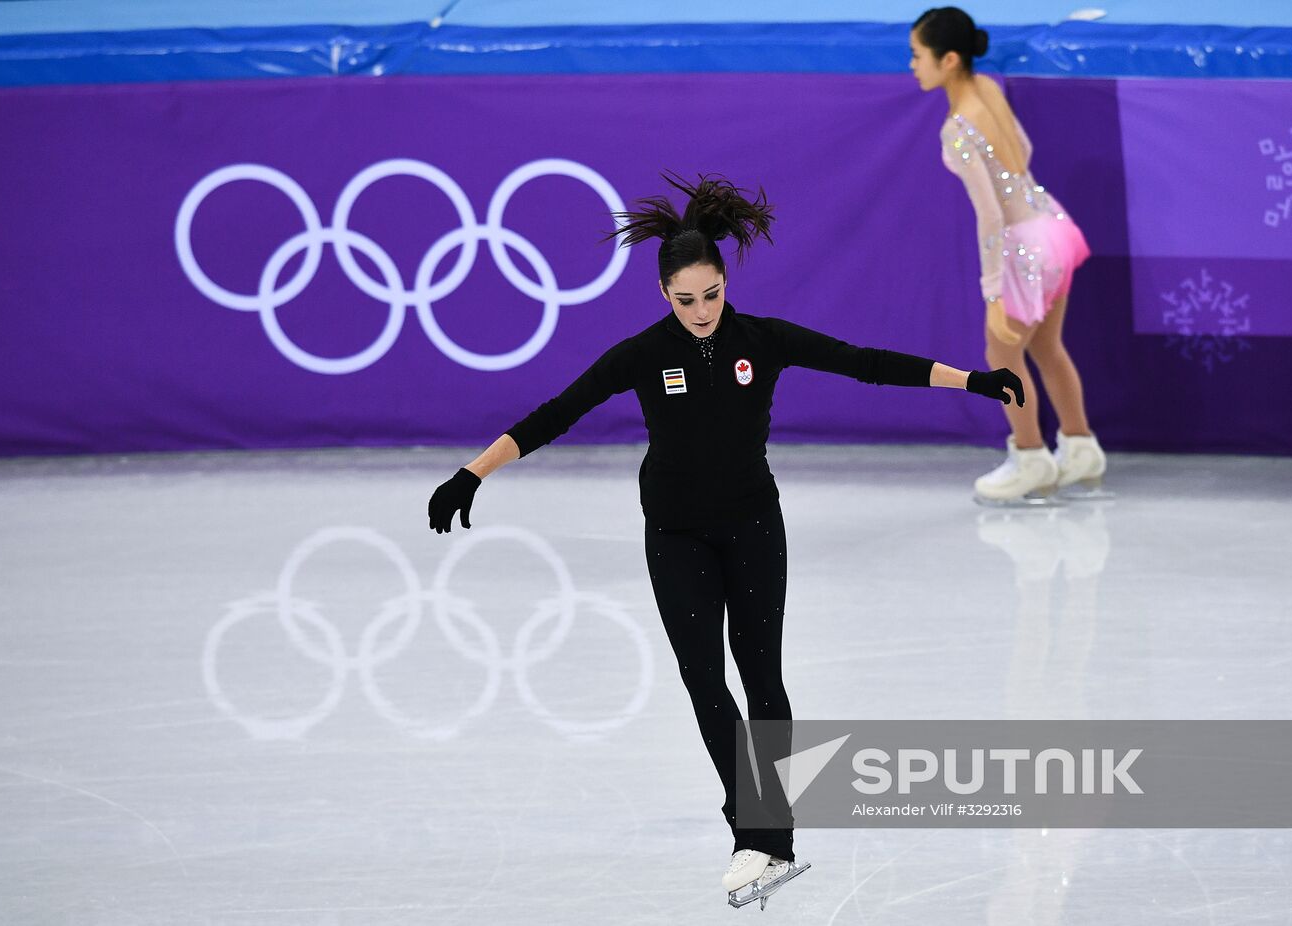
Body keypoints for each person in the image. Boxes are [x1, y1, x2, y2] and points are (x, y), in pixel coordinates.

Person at [426, 172, 1024, 907]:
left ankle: (770, 834)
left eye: (711, 295)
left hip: (751, 526)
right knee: (704, 680)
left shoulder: (761, 341)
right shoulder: (641, 355)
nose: (702, 311)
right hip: (675, 533)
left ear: (724, 282)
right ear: (663, 294)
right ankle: (750, 825)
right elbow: (557, 413)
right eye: (686, 300)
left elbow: (865, 363)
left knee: (762, 674)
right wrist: (472, 473)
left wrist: (972, 381)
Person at [910, 7, 1109, 504]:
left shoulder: (957, 128)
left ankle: (1031, 458)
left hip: (1023, 245)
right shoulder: (991, 91)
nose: (912, 65)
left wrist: (993, 290)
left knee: (1001, 356)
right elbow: (1023, 146)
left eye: (917, 55)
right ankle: (1081, 448)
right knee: (1047, 348)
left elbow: (991, 217)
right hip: (1054, 226)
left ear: (948, 59)